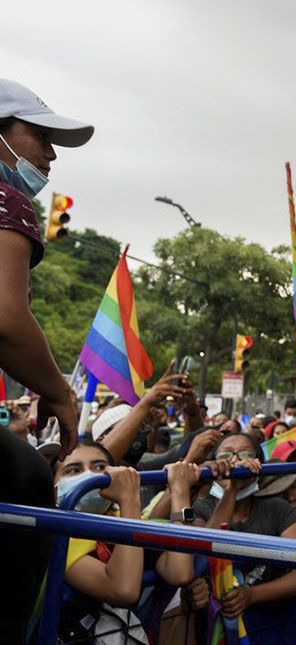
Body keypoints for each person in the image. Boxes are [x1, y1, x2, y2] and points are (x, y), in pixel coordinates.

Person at [0, 77, 93, 641]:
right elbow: (8, 320)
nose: (51, 154)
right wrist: (60, 393)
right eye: (39, 136)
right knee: (29, 476)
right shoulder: (6, 199)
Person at [53, 441, 195, 643]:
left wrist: (180, 493)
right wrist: (129, 500)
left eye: (100, 467)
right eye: (74, 470)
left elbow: (179, 571)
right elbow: (123, 590)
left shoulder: (124, 517)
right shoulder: (57, 535)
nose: (91, 476)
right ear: (54, 488)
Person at [184, 433, 296, 633]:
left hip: (270, 625)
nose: (234, 461)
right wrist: (232, 489)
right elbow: (207, 552)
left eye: (244, 455)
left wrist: (251, 595)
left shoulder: (276, 508)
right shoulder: (199, 508)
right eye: (225, 455)